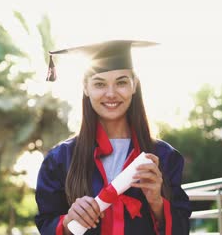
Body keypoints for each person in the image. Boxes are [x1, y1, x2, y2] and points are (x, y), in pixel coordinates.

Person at [35, 40, 191, 235]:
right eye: (99, 84)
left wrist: (157, 202)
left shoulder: (164, 157)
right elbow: (46, 223)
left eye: (121, 82)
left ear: (134, 85)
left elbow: (182, 229)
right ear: (86, 87)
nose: (111, 93)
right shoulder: (60, 159)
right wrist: (67, 222)